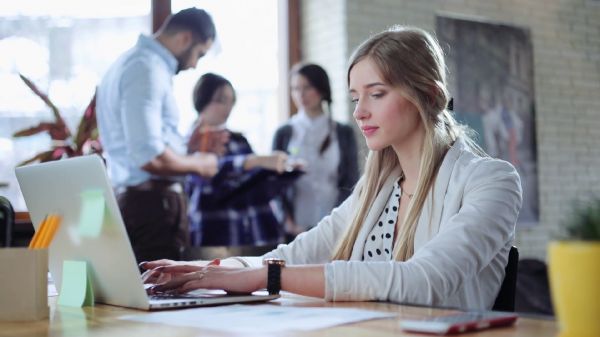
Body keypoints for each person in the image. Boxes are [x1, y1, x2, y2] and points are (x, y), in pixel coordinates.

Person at [140, 26, 523, 311]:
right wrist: (201, 269)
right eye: (355, 97)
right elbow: (293, 254)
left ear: (432, 96)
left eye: (376, 94)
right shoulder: (377, 189)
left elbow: (426, 280)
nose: (359, 112)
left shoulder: (492, 182)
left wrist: (268, 276)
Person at [96, 8, 221, 264]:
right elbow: (150, 157)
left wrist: (186, 150)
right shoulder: (146, 69)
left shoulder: (128, 62)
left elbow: (142, 146)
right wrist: (201, 163)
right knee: (163, 298)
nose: (194, 64)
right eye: (199, 54)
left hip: (138, 203)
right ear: (185, 38)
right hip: (154, 208)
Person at [186, 73, 291, 246]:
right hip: (214, 233)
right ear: (202, 99)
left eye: (231, 101)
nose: (227, 107)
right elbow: (207, 177)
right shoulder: (190, 144)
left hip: (253, 231)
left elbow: (255, 183)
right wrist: (255, 161)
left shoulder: (239, 140)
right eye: (221, 100)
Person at [273, 63, 359, 239]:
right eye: (295, 88)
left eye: (307, 87)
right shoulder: (284, 133)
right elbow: (273, 184)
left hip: (335, 227)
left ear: (322, 89)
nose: (300, 94)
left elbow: (351, 181)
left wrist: (339, 222)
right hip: (294, 229)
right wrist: (287, 222)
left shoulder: (343, 132)